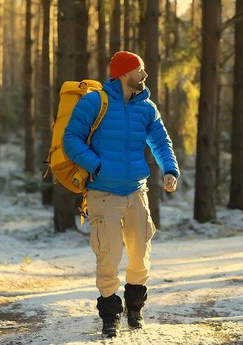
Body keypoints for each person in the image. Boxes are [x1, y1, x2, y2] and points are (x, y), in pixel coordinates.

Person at [63, 50, 180, 338]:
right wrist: (97, 165)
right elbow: (71, 139)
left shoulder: (147, 107)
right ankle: (109, 316)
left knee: (141, 255)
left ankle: (135, 310)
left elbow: (161, 141)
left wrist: (170, 170)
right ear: (125, 74)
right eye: (140, 70)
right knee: (109, 256)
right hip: (103, 194)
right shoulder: (95, 102)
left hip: (137, 192)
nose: (145, 75)